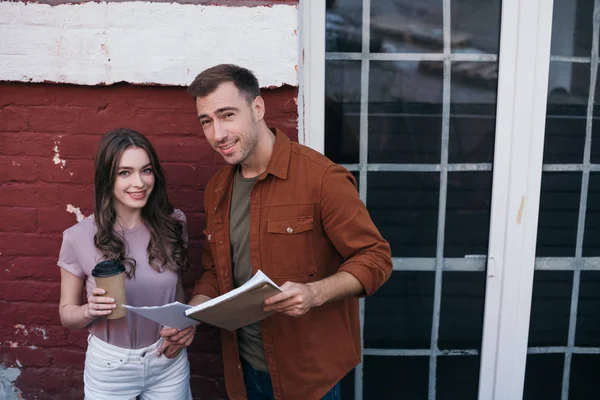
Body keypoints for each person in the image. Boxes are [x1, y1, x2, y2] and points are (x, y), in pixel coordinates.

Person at [186, 64, 393, 400]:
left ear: (257, 108)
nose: (217, 133)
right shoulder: (218, 189)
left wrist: (315, 293)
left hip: (309, 378)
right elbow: (215, 270)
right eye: (206, 121)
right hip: (243, 371)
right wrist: (192, 314)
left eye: (227, 115)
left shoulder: (322, 178)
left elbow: (376, 258)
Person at [57, 128, 195, 399]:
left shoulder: (174, 225)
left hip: (167, 359)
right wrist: (89, 310)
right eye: (125, 172)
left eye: (146, 170)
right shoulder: (79, 237)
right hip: (110, 367)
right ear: (107, 179)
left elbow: (176, 291)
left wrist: (182, 326)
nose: (139, 182)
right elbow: (66, 315)